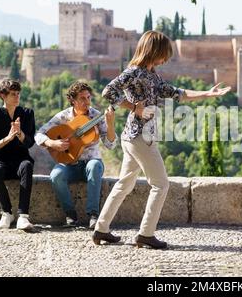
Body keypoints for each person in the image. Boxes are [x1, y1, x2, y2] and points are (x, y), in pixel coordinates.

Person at [92, 30, 231, 248]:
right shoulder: (134, 72)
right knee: (161, 184)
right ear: (153, 50)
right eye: (164, 54)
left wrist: (207, 93)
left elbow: (177, 92)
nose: (165, 59)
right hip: (141, 137)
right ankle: (146, 234)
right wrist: (133, 107)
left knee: (124, 184)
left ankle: (101, 229)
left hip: (132, 137)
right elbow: (107, 91)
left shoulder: (153, 75)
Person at [35, 81, 117, 228]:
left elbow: (110, 144)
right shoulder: (63, 117)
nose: (87, 102)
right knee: (56, 176)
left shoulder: (97, 116)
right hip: (69, 164)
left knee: (94, 166)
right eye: (82, 98)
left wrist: (110, 124)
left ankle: (93, 215)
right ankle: (70, 215)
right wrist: (52, 143)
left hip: (91, 163)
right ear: (73, 100)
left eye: (88, 97)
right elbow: (39, 134)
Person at [0, 79, 36, 230]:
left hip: (21, 159)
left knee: (27, 166)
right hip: (2, 160)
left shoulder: (27, 113)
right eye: (13, 94)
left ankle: (23, 216)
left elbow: (30, 143)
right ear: (2, 95)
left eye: (18, 93)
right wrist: (7, 138)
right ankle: (7, 213)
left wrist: (19, 134)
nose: (17, 97)